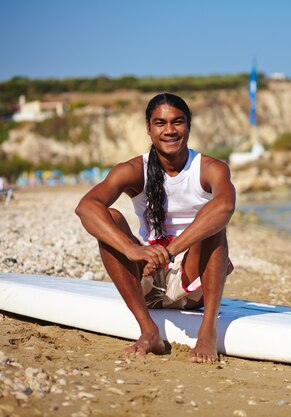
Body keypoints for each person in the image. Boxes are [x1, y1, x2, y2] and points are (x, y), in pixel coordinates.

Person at [75, 93, 236, 363]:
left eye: (178, 122)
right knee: (110, 217)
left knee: (214, 223)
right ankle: (148, 331)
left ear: (189, 126)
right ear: (148, 129)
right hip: (146, 276)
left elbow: (225, 207)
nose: (170, 130)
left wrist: (169, 251)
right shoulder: (132, 169)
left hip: (192, 277)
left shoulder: (210, 168)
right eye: (160, 123)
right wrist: (133, 250)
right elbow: (86, 207)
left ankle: (207, 332)